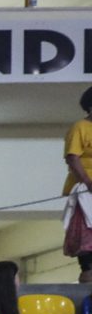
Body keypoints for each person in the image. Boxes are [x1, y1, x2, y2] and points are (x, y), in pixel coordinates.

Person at [65, 85, 92, 282]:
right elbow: (72, 158)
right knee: (88, 245)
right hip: (86, 191)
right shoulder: (80, 127)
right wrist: (88, 182)